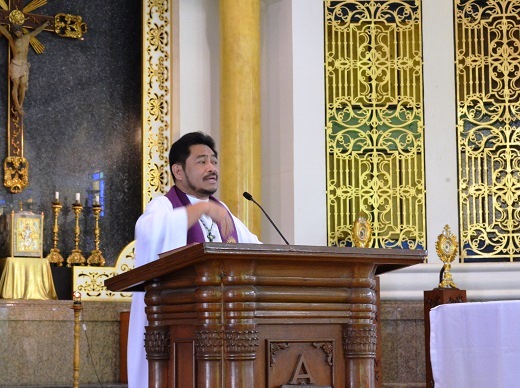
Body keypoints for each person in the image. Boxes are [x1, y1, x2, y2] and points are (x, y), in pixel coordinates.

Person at [127, 131, 261, 387]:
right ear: (178, 171)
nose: (212, 168)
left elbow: (255, 251)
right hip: (178, 334)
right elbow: (147, 232)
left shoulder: (225, 215)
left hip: (225, 331)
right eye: (201, 161)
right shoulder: (164, 207)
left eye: (213, 160)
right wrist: (200, 208)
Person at [0, 21, 50, 115]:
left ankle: (20, 105)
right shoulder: (12, 39)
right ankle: (17, 106)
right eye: (16, 32)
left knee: (23, 85)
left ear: (21, 31)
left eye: (18, 31)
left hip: (24, 64)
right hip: (15, 64)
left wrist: (44, 25)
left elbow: (36, 31)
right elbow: (3, 30)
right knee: (16, 84)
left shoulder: (27, 37)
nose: (18, 33)